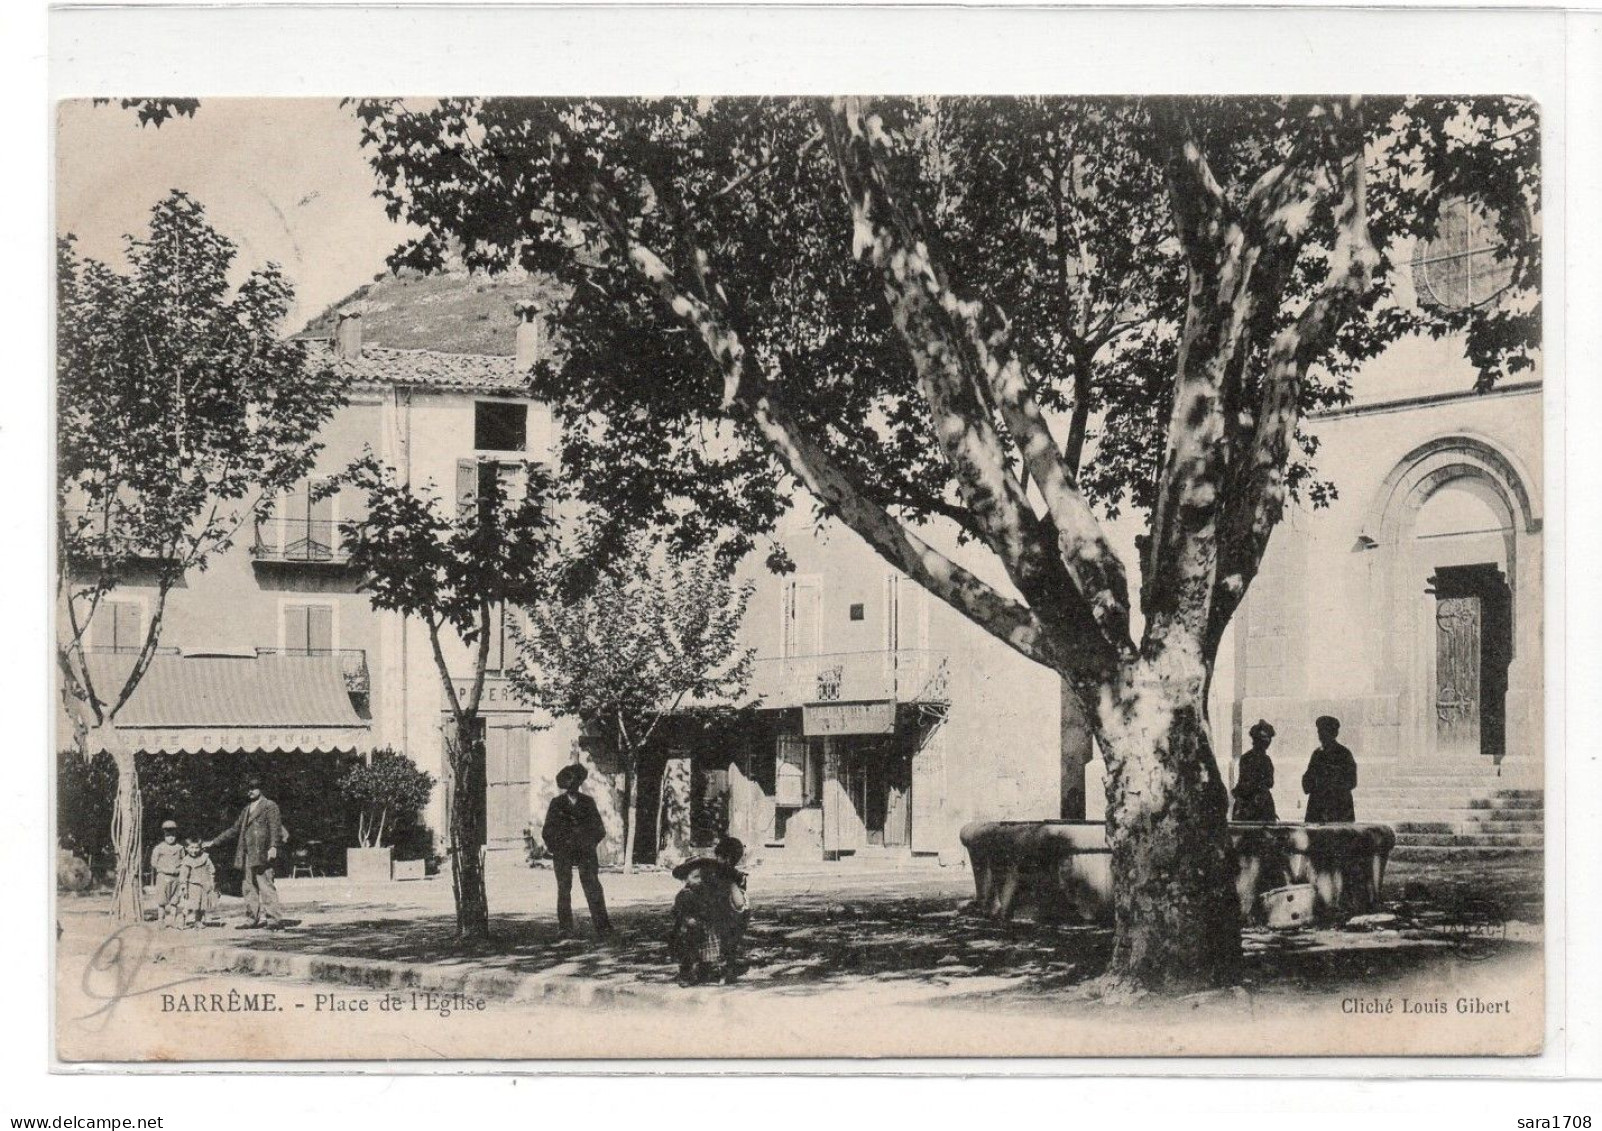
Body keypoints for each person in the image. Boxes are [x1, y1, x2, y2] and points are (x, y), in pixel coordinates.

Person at [540, 763, 612, 937]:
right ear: (564, 784)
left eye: (576, 781)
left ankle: (603, 927)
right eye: (569, 782)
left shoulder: (588, 802)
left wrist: (587, 844)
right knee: (564, 888)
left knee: (593, 886)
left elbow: (599, 829)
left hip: (585, 852)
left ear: (580, 783)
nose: (572, 785)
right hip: (563, 853)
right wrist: (558, 847)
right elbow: (547, 831)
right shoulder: (556, 804)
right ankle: (565, 928)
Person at [205, 776, 286, 929]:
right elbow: (234, 830)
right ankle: (251, 919)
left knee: (266, 886)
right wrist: (214, 842)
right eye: (247, 789)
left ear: (260, 789)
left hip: (263, 853)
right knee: (248, 887)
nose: (250, 791)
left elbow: (275, 828)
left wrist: (273, 847)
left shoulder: (270, 805)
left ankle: (274, 920)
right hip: (247, 854)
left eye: (253, 787)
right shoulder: (246, 809)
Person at [670, 837, 750, 986]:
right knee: (697, 941)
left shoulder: (734, 877)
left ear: (728, 859)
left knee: (720, 941)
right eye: (718, 857)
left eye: (722, 857)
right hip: (708, 918)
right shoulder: (710, 876)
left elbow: (739, 904)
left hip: (727, 917)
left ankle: (722, 969)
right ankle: (696, 970)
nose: (718, 860)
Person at [1302, 715, 1358, 823]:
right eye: (1319, 732)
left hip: (1338, 807)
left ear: (1334, 733)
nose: (1321, 735)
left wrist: (1332, 784)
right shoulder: (1317, 754)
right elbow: (1308, 779)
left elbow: (1352, 781)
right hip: (1318, 806)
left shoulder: (1344, 754)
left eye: (1325, 731)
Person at [1232, 720, 1279, 823]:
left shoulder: (1250, 758)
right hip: (1253, 803)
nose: (1266, 744)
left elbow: (1269, 782)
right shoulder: (1257, 759)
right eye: (1264, 741)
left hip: (1258, 803)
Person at [175, 837, 218, 929]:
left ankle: (198, 921)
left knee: (202, 905)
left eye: (196, 848)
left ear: (201, 848)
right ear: (186, 848)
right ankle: (181, 919)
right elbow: (183, 875)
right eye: (191, 847)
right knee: (190, 905)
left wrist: (211, 881)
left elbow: (211, 870)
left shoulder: (205, 857)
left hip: (204, 885)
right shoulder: (187, 860)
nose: (194, 850)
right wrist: (183, 886)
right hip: (192, 885)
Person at [150, 820, 185, 928]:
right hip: (163, 877)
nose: (171, 837)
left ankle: (172, 920)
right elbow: (153, 862)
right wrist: (163, 869)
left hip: (176, 877)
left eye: (173, 835)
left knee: (175, 900)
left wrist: (180, 870)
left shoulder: (180, 848)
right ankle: (161, 920)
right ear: (164, 835)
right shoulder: (159, 848)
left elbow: (184, 861)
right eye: (168, 835)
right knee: (162, 900)